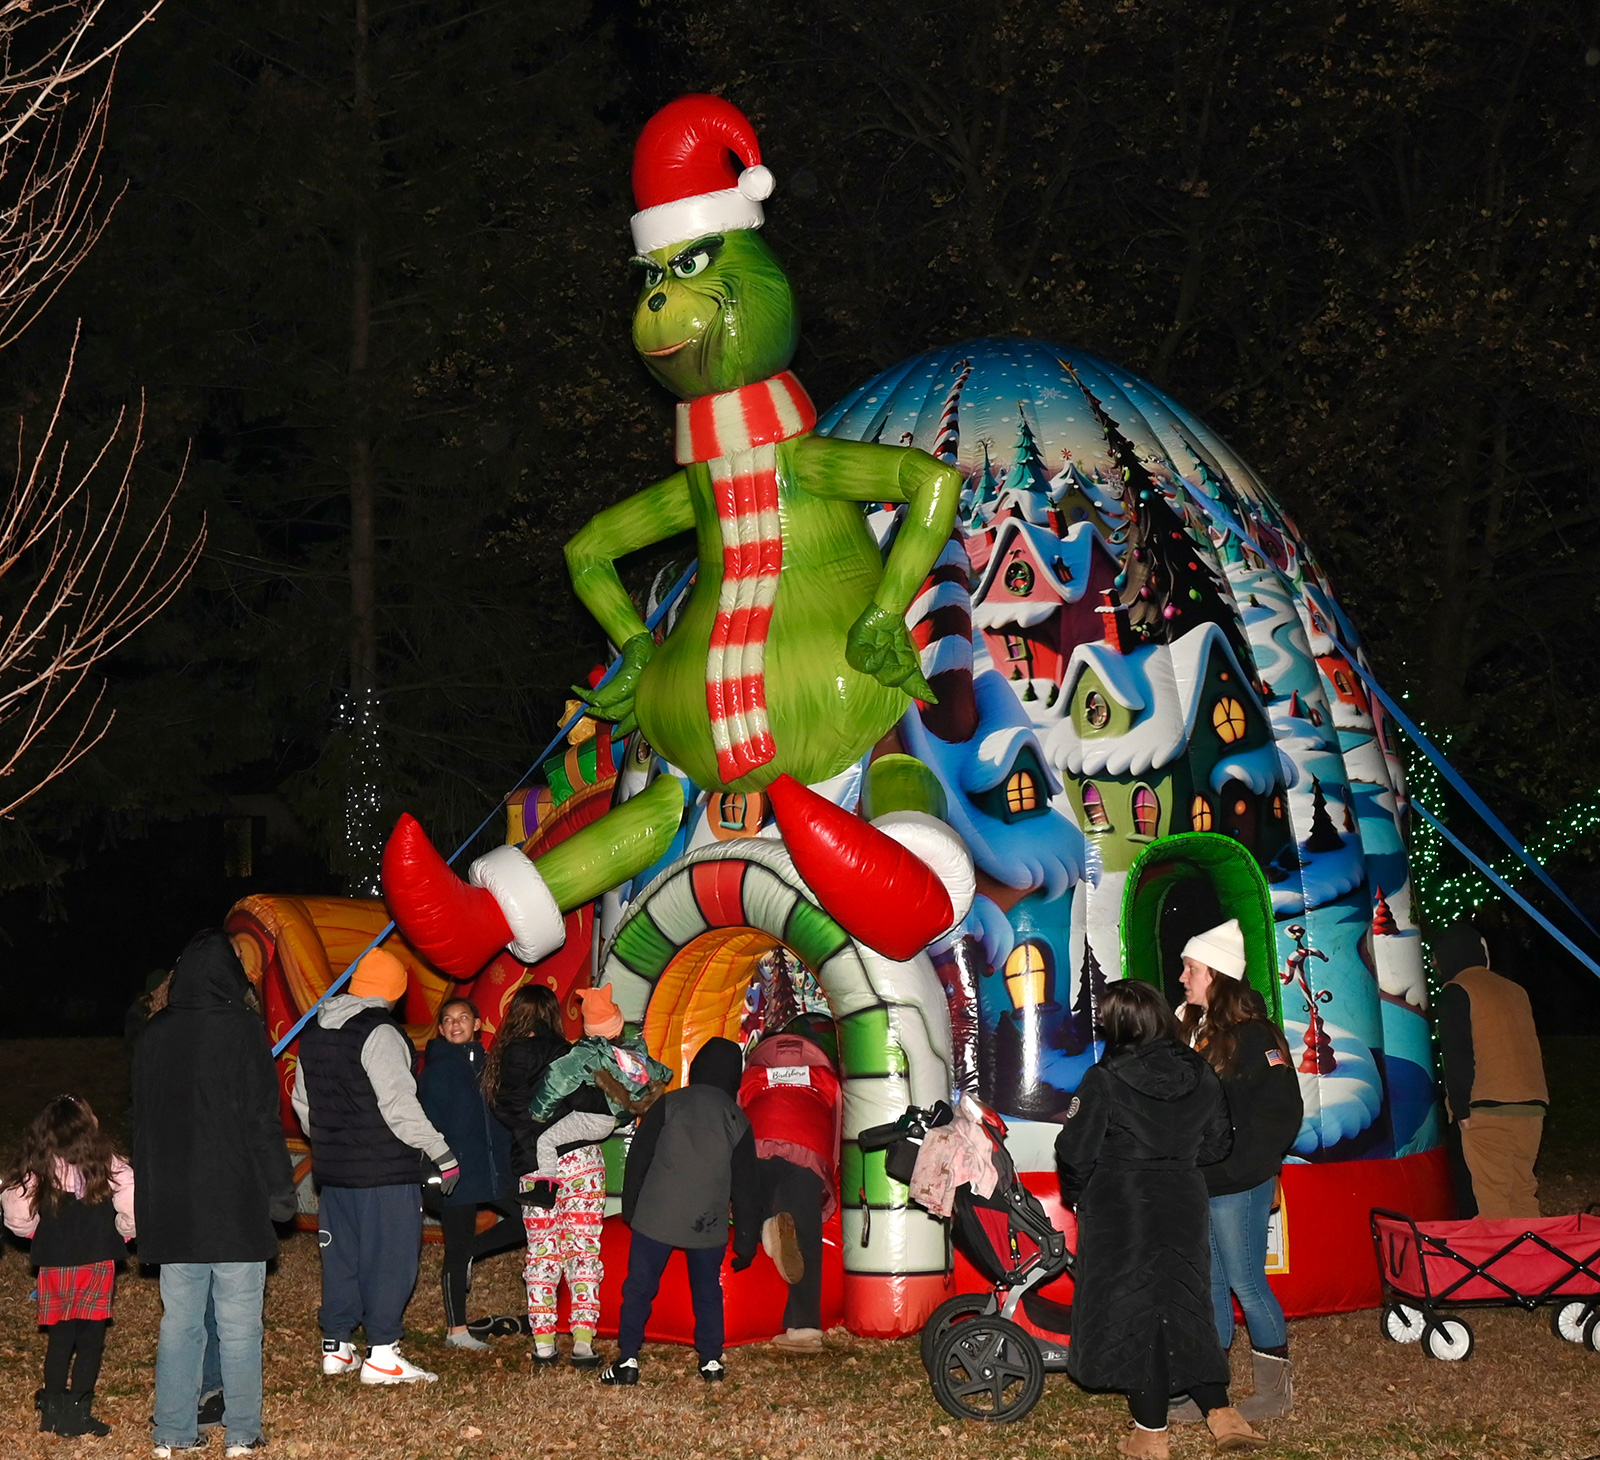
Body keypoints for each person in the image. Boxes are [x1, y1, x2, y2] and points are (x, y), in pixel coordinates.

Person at [1055, 980, 1265, 1458]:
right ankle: (1223, 1414)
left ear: (1121, 1024)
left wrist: (1080, 1194)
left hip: (1121, 1204)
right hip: (1182, 1199)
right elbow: (1219, 1143)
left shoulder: (1103, 1079)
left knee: (1136, 1311)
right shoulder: (1200, 1072)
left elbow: (1074, 1149)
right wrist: (1180, 1163)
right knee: (1185, 1303)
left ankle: (1151, 1434)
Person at [131, 929, 297, 1459]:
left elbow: (143, 1128)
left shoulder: (152, 1036)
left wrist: (145, 1204)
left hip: (175, 1206)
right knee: (239, 1325)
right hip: (234, 1202)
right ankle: (243, 1431)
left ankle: (173, 1432)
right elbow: (261, 1121)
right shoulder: (244, 1030)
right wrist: (280, 1189)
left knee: (179, 1324)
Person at [291, 946, 459, 1384]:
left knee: (341, 1258)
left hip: (335, 1171)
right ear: (395, 991)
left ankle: (337, 1346)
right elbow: (399, 1106)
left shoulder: (315, 1031)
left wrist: (334, 1142)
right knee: (390, 1258)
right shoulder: (380, 1033)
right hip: (384, 1173)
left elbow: (303, 1105)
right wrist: (441, 1151)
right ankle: (383, 1354)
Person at [1176, 920, 1303, 1423]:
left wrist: (1246, 1169)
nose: (1182, 977)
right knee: (1208, 1281)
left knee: (1247, 1282)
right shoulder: (1199, 1032)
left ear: (1217, 974)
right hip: (1203, 1181)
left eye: (1191, 968)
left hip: (1238, 1184)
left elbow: (1279, 1113)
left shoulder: (1254, 1038)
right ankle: (1211, 1391)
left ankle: (1275, 1392)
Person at [602, 1036, 760, 1387]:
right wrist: (747, 1240)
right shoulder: (736, 1118)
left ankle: (627, 1359)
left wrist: (632, 1209)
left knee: (640, 1288)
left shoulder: (669, 1104)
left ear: (697, 1069)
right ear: (735, 1076)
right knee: (707, 1292)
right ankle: (711, 1361)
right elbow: (746, 1185)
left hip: (656, 1215)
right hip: (707, 1223)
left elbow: (639, 1157)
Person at [484, 982, 611, 1367]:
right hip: (580, 1163)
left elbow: (509, 1116)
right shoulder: (568, 1054)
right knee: (582, 1250)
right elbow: (593, 1107)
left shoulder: (498, 1064)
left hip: (533, 1168)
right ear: (553, 1015)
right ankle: (584, 1343)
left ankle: (543, 1345)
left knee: (542, 1255)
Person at [1, 1095, 134, 1438]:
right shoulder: (108, 1163)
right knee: (91, 1338)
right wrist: (123, 1231)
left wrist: (36, 1234)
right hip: (97, 1259)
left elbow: (15, 1213)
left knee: (61, 1338)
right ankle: (78, 1412)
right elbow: (133, 1202)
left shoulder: (38, 1169)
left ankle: (53, 1412)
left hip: (56, 1263)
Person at [415, 997, 522, 1349]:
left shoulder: (493, 1065)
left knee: (528, 1220)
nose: (456, 1024)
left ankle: (474, 1251)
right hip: (456, 1172)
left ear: (477, 1023)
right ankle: (456, 1331)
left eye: (463, 1018)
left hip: (493, 1170)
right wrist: (439, 1167)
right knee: (455, 1249)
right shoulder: (437, 1069)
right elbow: (427, 1125)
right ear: (442, 1029)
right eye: (448, 1020)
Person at [738, 1027, 842, 1354]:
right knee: (806, 1233)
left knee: (751, 1205)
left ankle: (766, 1225)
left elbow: (738, 1113)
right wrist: (830, 1168)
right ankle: (805, 1329)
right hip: (809, 1145)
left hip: (760, 1136)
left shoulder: (753, 1076)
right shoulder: (826, 1079)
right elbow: (838, 1123)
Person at [1434, 924, 1549, 1219]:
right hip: (1532, 1107)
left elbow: (1458, 1057)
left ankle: (1501, 1265)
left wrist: (1461, 1112)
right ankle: (1535, 1261)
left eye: (1435, 957)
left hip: (1488, 1110)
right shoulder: (1516, 990)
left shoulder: (1457, 991)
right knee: (1523, 1193)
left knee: (1493, 1201)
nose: (1433, 964)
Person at [523, 985, 670, 1201]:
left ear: (589, 1029)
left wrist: (539, 1112)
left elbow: (559, 1077)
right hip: (611, 1121)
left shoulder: (589, 1052)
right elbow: (658, 1072)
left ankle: (545, 1190)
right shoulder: (633, 1052)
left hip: (593, 1119)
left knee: (545, 1140)